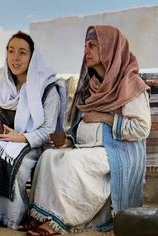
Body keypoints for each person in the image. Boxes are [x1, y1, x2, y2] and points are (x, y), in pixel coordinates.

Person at [25, 25, 151, 235]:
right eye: (85, 45)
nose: (86, 51)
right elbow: (79, 125)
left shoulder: (130, 84)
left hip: (117, 152)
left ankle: (61, 221)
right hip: (87, 148)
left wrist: (105, 118)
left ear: (109, 48)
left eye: (92, 45)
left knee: (72, 163)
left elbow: (141, 128)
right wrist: (68, 141)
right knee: (49, 157)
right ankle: (44, 215)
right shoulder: (89, 85)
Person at [0, 31, 66, 229]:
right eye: (11, 51)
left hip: (33, 145)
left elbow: (47, 130)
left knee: (14, 162)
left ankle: (13, 216)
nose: (15, 57)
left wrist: (19, 138)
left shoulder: (47, 89)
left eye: (22, 52)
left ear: (32, 57)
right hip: (5, 143)